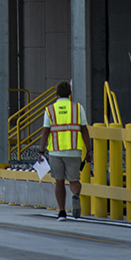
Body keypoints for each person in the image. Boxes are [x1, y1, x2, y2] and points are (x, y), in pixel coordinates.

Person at [39, 80, 93, 220]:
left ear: (56, 94)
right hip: (74, 150)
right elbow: (84, 130)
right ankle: (75, 195)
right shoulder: (77, 108)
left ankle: (62, 212)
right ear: (70, 93)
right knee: (74, 180)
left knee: (59, 181)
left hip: (55, 151)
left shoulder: (50, 110)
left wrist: (41, 151)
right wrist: (89, 150)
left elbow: (45, 132)